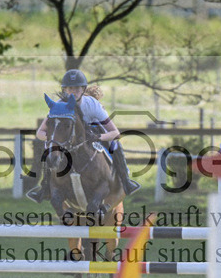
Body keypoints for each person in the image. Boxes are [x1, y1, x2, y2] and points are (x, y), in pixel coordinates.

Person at [26, 69, 140, 202]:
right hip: (69, 135)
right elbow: (40, 132)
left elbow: (115, 133)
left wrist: (99, 138)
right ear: (64, 90)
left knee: (115, 144)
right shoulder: (59, 105)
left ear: (83, 89)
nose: (73, 91)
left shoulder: (92, 105)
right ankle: (45, 187)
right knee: (50, 150)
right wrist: (53, 140)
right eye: (69, 88)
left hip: (95, 132)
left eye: (76, 88)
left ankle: (125, 180)